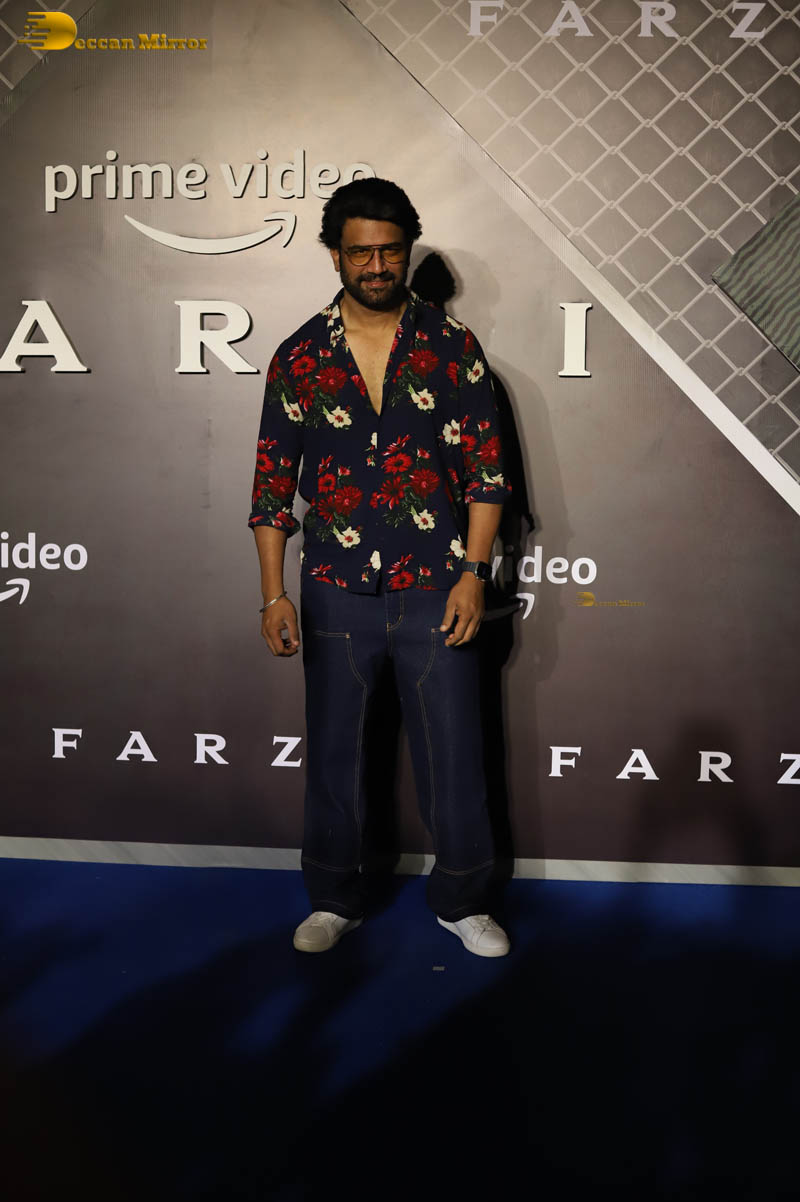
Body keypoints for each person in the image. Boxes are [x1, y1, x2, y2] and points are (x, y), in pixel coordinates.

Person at [248, 177, 513, 957]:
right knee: (336, 754)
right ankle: (334, 898)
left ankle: (463, 900)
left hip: (438, 584)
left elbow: (487, 476)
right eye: (360, 252)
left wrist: (473, 572)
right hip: (334, 589)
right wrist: (272, 595)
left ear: (407, 252)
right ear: (334, 254)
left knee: (455, 753)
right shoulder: (299, 355)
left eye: (390, 251)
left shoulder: (452, 347)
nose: (375, 265)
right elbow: (270, 488)